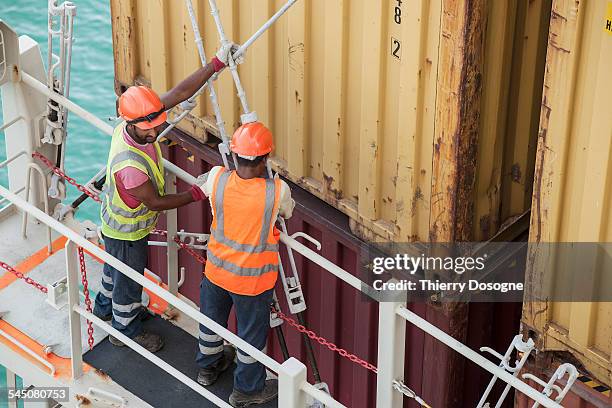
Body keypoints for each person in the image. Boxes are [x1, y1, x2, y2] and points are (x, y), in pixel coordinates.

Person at [93, 43, 242, 353]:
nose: (158, 129)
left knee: (113, 268)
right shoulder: (130, 166)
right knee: (128, 278)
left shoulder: (136, 118)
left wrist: (214, 64)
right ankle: (126, 328)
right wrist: (197, 193)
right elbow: (156, 202)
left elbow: (180, 92)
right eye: (152, 128)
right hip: (127, 231)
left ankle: (103, 307)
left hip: (116, 223)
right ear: (135, 124)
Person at [194, 122, 294, 407]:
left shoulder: (216, 179)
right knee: (250, 338)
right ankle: (247, 391)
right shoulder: (277, 191)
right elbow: (287, 212)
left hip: (215, 272)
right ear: (265, 160)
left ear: (234, 156)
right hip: (251, 283)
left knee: (211, 322)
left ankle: (207, 368)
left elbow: (201, 189)